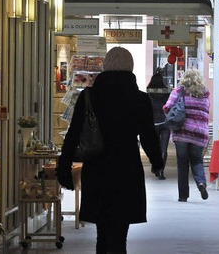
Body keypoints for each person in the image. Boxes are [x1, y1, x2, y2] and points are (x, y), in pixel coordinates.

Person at [56, 47, 163, 254]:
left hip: (97, 169)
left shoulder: (89, 96)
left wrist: (64, 168)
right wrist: (157, 162)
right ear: (130, 67)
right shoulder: (139, 99)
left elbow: (73, 134)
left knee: (102, 231)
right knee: (119, 233)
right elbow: (148, 136)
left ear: (105, 66)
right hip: (127, 170)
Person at [163, 68, 210, 202]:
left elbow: (167, 108)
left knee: (182, 164)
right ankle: (201, 183)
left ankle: (183, 196)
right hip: (199, 134)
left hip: (182, 133)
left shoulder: (178, 92)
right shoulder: (205, 94)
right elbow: (205, 113)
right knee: (197, 161)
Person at [146, 69, 171, 180]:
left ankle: (155, 166)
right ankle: (161, 171)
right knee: (163, 148)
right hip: (165, 122)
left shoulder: (148, 92)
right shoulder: (167, 92)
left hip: (152, 123)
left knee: (154, 147)